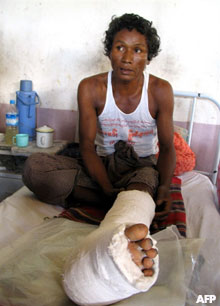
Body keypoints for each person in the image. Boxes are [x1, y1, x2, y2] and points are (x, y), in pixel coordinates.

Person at [23, 13, 176, 298]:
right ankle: (124, 202)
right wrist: (105, 186)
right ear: (109, 51)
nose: (127, 57)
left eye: (138, 50)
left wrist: (164, 187)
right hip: (100, 166)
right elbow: (87, 147)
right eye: (120, 47)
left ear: (148, 57)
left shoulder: (160, 91)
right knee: (35, 168)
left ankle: (124, 211)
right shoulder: (91, 87)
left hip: (139, 167)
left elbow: (167, 148)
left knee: (145, 182)